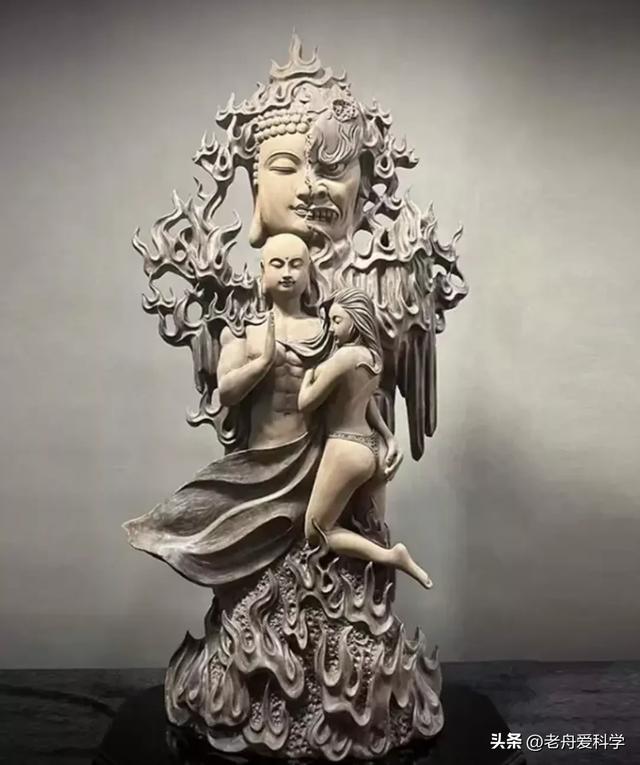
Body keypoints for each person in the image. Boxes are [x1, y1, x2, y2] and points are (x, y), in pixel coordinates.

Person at [123, 234, 331, 587]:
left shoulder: (326, 330)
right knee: (204, 521)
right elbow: (228, 392)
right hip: (262, 457)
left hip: (314, 456)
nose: (287, 273)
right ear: (263, 272)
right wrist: (262, 362)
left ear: (309, 273)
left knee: (310, 535)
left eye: (296, 265)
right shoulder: (246, 331)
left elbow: (354, 389)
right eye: (278, 264)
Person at [298, 287, 433, 589]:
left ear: (356, 319)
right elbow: (366, 399)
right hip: (373, 447)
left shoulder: (345, 357)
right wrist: (389, 437)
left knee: (317, 530)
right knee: (370, 527)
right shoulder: (372, 356)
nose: (331, 329)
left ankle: (391, 557)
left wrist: (308, 376)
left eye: (336, 321)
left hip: (345, 448)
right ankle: (365, 591)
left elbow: (305, 402)